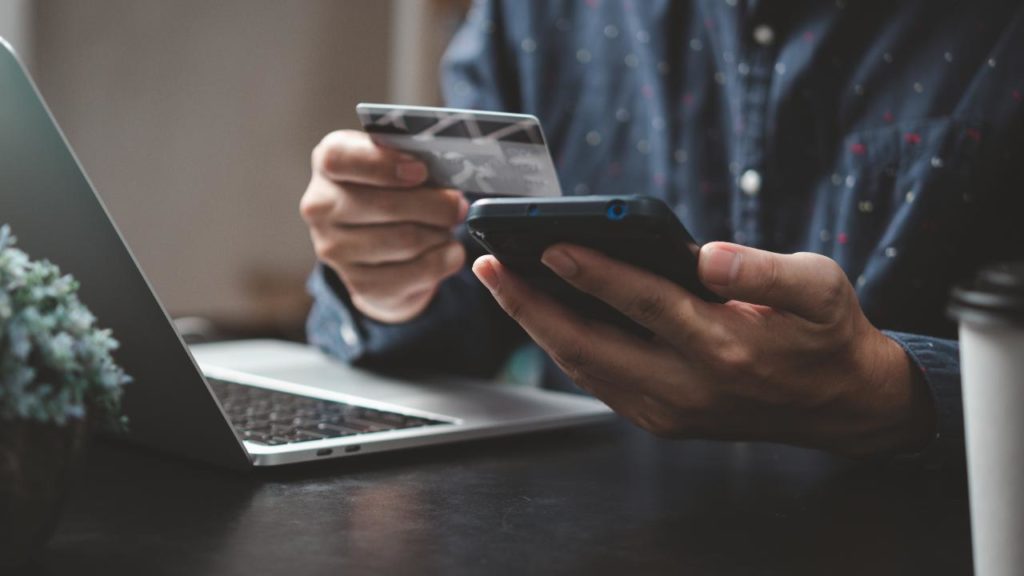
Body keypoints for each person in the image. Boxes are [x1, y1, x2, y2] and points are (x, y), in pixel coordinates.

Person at [299, 0, 1024, 460]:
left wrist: (900, 395)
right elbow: (469, 300)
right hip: (584, 535)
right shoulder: (531, 14)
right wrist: (386, 277)